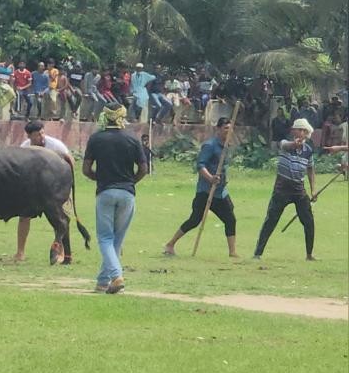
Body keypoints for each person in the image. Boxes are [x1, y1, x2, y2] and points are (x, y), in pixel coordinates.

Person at [82, 103, 148, 293]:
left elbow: (86, 170)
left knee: (104, 237)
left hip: (105, 192)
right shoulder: (132, 139)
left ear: (105, 116)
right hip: (127, 193)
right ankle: (103, 281)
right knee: (116, 239)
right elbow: (143, 169)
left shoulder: (96, 139)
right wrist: (130, 182)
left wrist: (101, 178)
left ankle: (116, 277)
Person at [164, 118, 239, 258]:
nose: (228, 131)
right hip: (206, 191)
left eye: (230, 128)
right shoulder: (210, 145)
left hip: (220, 192)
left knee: (230, 219)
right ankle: (170, 244)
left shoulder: (227, 146)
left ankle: (232, 252)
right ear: (218, 129)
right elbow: (200, 166)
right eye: (225, 128)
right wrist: (211, 178)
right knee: (194, 220)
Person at [253, 119, 317, 260]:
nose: (295, 132)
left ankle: (309, 254)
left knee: (309, 222)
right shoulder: (284, 144)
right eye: (295, 130)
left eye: (299, 130)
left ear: (305, 133)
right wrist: (294, 144)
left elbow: (311, 169)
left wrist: (313, 190)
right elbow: (287, 145)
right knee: (271, 220)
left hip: (299, 190)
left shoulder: (308, 151)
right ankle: (257, 253)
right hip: (282, 189)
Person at [15, 121, 74, 263]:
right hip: (32, 189)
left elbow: (70, 161)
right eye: (37, 135)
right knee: (24, 217)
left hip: (55, 187)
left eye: (42, 133)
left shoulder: (55, 145)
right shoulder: (24, 148)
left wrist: (67, 187)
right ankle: (20, 252)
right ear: (29, 136)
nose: (42, 137)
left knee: (58, 217)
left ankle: (61, 252)